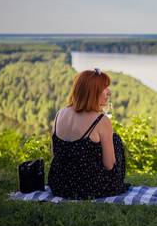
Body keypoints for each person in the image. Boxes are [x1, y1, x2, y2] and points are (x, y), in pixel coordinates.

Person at [48, 68, 128, 199]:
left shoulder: (60, 113)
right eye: (104, 88)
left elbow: (55, 153)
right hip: (91, 188)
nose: (109, 92)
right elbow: (109, 165)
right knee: (115, 139)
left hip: (59, 185)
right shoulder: (101, 120)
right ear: (92, 92)